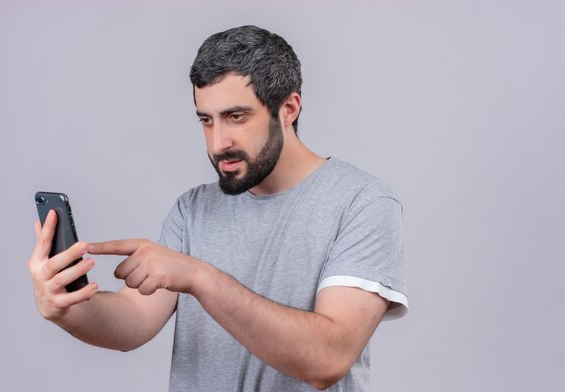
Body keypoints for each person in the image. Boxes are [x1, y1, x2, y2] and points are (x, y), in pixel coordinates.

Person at [28, 25, 408, 391]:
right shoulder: (192, 209)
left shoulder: (363, 203)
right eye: (206, 120)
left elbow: (328, 359)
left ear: (288, 108)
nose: (217, 143)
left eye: (236, 117)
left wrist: (200, 277)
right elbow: (134, 322)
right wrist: (66, 306)